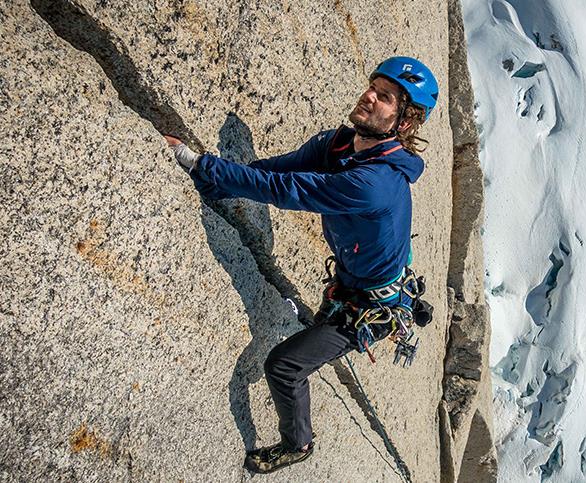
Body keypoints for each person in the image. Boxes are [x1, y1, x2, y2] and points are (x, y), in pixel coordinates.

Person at [164, 56, 438, 474]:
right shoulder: (339, 145)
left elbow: (285, 189)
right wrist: (222, 181)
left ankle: (298, 444)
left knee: (284, 365)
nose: (368, 96)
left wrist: (201, 164)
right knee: (302, 346)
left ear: (404, 122)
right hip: (353, 285)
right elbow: (276, 170)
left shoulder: (375, 184)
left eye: (384, 97)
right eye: (372, 87)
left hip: (371, 310)